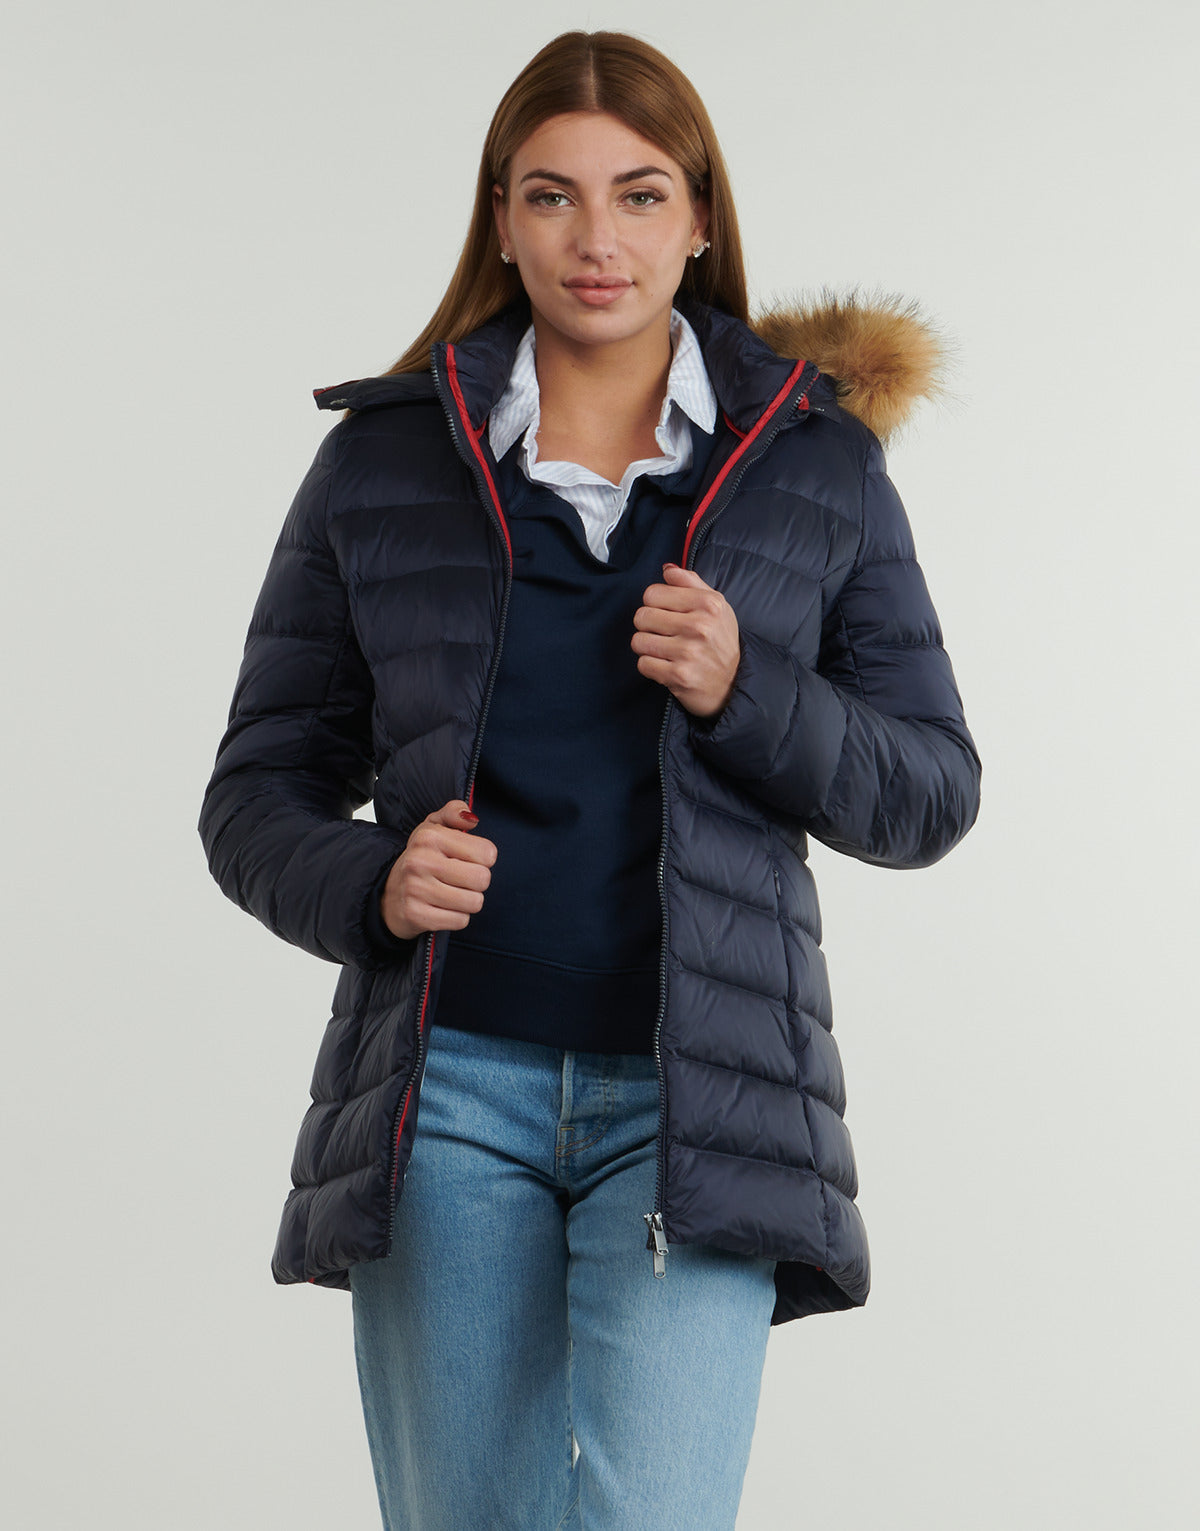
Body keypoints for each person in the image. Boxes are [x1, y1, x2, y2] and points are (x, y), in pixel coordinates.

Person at [197, 28, 981, 1531]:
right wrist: (376, 882)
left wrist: (747, 688)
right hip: (446, 1094)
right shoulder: (383, 463)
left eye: (639, 194)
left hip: (700, 1102)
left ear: (701, 218)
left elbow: (929, 791)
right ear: (501, 220)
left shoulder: (813, 463)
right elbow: (254, 798)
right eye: (552, 195)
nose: (596, 238)